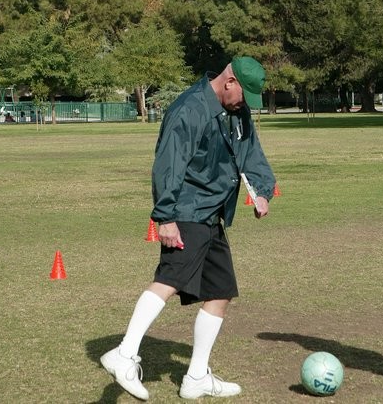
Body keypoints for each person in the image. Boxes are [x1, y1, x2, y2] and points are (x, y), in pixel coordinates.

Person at [101, 56, 276, 401]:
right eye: (243, 96)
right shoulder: (188, 110)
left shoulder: (236, 111)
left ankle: (196, 377)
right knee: (170, 278)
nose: (245, 105)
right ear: (229, 82)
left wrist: (262, 190)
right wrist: (165, 218)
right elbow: (168, 164)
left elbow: (250, 151)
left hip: (212, 214)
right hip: (185, 210)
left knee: (220, 292)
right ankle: (123, 354)